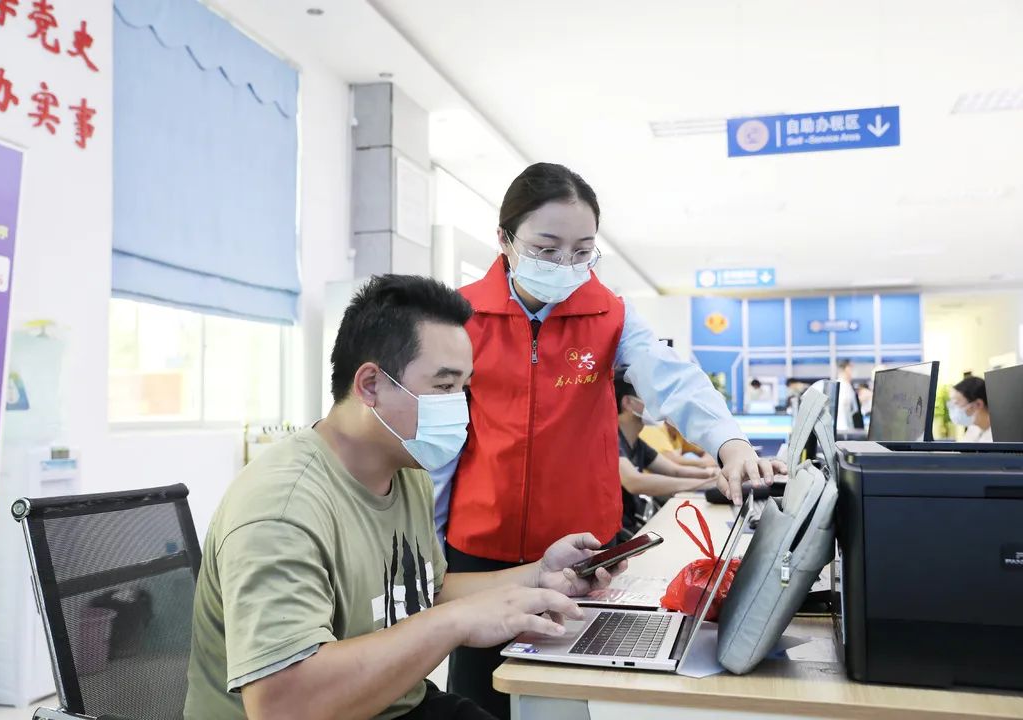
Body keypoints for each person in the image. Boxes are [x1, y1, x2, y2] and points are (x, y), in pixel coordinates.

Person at [184, 275, 622, 720]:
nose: (462, 406)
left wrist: (539, 576)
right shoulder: (280, 507)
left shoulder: (404, 468)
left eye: (465, 388)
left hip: (394, 706)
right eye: (444, 386)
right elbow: (283, 706)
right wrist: (458, 623)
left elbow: (422, 592)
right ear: (370, 385)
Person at [434, 162, 785, 717]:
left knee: (560, 699)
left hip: (579, 549)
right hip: (480, 550)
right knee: (475, 699)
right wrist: (429, 547)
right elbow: (436, 447)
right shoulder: (457, 317)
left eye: (582, 250)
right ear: (504, 239)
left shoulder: (610, 315)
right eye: (547, 248)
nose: (566, 265)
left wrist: (731, 444)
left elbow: (673, 379)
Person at [614, 370, 718, 537]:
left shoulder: (636, 443)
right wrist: (703, 484)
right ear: (628, 402)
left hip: (631, 526)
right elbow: (634, 482)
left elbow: (675, 470)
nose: (657, 406)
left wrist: (713, 475)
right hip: (616, 535)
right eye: (649, 398)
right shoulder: (611, 441)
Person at [950, 376, 993, 442]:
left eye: (957, 403)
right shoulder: (974, 429)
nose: (955, 409)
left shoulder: (999, 437)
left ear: (978, 404)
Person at [836, 359, 861, 432]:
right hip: (844, 429)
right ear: (847, 368)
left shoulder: (847, 386)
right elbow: (843, 409)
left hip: (846, 428)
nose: (853, 371)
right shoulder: (843, 387)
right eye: (851, 368)